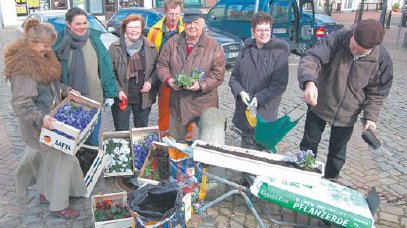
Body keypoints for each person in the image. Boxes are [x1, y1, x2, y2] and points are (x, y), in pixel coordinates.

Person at [4, 18, 86, 219]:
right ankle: (58, 205)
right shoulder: (24, 67)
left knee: (45, 161)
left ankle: (44, 193)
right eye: (45, 46)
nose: (49, 50)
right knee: (61, 160)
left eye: (50, 46)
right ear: (31, 43)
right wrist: (42, 120)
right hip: (40, 124)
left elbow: (52, 85)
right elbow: (22, 104)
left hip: (49, 120)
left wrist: (67, 91)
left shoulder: (42, 57)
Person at [298, 19, 393, 180]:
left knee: (337, 153)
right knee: (309, 144)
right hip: (320, 104)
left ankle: (331, 182)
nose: (353, 50)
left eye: (359, 51)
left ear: (371, 48)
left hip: (347, 114)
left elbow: (377, 92)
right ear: (353, 34)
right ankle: (304, 176)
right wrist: (309, 82)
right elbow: (312, 58)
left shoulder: (382, 59)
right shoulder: (337, 38)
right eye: (353, 44)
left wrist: (370, 117)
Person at [156, 9, 226, 142]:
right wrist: (168, 80)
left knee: (208, 145)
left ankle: (204, 163)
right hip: (178, 103)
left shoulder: (213, 47)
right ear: (183, 24)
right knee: (176, 145)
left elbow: (218, 75)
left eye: (196, 23)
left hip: (204, 103)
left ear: (202, 24)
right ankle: (179, 162)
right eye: (188, 23)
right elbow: (161, 65)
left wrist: (201, 85)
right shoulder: (173, 42)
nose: (192, 26)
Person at [54, 7, 117, 146]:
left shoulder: (94, 38)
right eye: (78, 24)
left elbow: (106, 67)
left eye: (84, 23)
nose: (82, 27)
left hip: (94, 100)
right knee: (72, 142)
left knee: (93, 141)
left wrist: (110, 94)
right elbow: (54, 76)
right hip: (70, 102)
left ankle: (90, 167)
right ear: (68, 24)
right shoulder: (59, 42)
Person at [229, 12, 289, 150]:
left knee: (262, 150)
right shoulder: (245, 51)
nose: (264, 34)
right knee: (246, 148)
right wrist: (240, 92)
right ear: (253, 31)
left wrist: (259, 98)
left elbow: (279, 85)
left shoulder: (279, 53)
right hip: (245, 110)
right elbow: (234, 78)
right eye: (260, 30)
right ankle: (246, 171)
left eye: (267, 30)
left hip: (265, 112)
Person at [147, 0, 195, 140]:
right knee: (165, 112)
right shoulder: (155, 31)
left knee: (186, 111)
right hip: (164, 79)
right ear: (165, 13)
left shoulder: (187, 28)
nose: (174, 17)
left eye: (177, 14)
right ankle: (165, 141)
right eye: (171, 14)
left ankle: (187, 141)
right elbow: (152, 57)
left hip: (185, 78)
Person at [108, 15, 159, 130]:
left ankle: (139, 149)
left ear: (141, 28)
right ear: (125, 28)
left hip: (143, 97)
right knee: (121, 130)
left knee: (141, 130)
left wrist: (151, 82)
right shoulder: (114, 48)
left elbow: (157, 69)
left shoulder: (151, 47)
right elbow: (109, 73)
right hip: (122, 97)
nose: (134, 30)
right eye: (131, 27)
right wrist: (118, 90)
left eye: (137, 27)